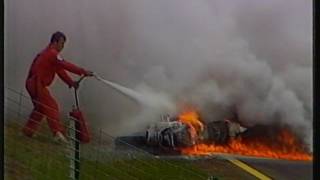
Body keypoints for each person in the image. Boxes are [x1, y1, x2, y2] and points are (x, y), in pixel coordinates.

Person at [22, 31, 93, 143]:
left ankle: (28, 131)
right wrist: (83, 71)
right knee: (52, 106)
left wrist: (71, 82)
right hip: (36, 84)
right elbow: (65, 65)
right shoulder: (52, 54)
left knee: (40, 109)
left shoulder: (48, 54)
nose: (63, 47)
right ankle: (57, 134)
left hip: (33, 83)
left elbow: (60, 70)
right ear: (55, 42)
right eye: (62, 43)